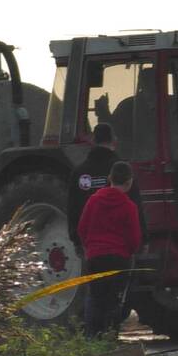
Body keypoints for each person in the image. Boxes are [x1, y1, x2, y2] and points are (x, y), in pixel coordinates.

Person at [77, 161, 143, 336]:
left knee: (95, 298)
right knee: (114, 300)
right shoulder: (130, 207)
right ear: (129, 182)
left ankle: (91, 337)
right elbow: (135, 239)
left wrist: (89, 247)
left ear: (109, 179)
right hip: (118, 259)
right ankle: (110, 337)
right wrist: (128, 252)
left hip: (95, 257)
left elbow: (82, 228)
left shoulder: (93, 201)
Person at [68, 123, 145, 247]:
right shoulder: (123, 169)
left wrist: (77, 241)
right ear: (114, 140)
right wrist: (143, 239)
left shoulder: (78, 173)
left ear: (92, 140)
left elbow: (73, 210)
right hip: (120, 247)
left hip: (92, 249)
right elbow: (136, 207)